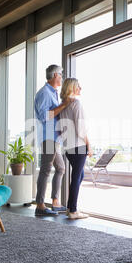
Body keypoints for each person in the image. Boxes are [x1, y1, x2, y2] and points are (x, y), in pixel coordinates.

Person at [34, 65, 74, 216]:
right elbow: (44, 116)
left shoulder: (54, 93)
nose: (62, 78)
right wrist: (64, 105)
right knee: (45, 169)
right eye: (61, 75)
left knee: (61, 168)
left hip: (55, 138)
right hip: (48, 138)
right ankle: (40, 205)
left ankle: (55, 202)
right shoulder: (44, 93)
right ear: (55, 75)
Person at [58, 78, 93, 219]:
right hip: (78, 146)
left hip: (68, 148)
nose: (81, 88)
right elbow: (81, 129)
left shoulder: (63, 106)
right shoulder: (76, 104)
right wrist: (89, 145)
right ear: (72, 88)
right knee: (77, 176)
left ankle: (70, 208)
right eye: (78, 86)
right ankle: (73, 211)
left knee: (79, 175)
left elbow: (61, 128)